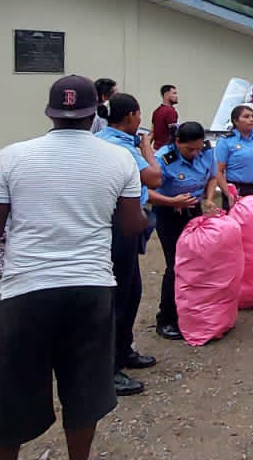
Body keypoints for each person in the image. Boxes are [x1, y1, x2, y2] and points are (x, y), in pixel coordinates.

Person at [0, 75, 147, 460]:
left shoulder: (11, 156)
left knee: (11, 394)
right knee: (84, 390)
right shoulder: (118, 158)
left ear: (51, 113)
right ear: (93, 112)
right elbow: (132, 226)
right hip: (90, 287)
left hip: (25, 290)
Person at [95, 93, 163, 397]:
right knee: (119, 295)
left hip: (125, 222)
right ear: (132, 116)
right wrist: (148, 148)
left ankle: (124, 351)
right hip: (118, 223)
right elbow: (154, 178)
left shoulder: (104, 138)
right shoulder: (120, 146)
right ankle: (109, 370)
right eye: (139, 115)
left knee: (131, 291)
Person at [150, 121, 219, 341]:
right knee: (176, 265)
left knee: (198, 263)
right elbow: (145, 191)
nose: (195, 153)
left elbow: (212, 177)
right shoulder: (163, 158)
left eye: (198, 148)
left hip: (194, 211)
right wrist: (171, 201)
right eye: (190, 149)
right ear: (177, 142)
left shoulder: (207, 151)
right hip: (169, 214)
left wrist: (208, 199)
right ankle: (167, 318)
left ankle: (191, 312)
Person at [216, 105, 253, 199]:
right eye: (246, 116)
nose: (251, 119)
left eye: (252, 116)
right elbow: (218, 171)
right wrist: (229, 194)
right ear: (235, 121)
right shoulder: (226, 141)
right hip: (238, 190)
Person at [151, 85, 179, 150]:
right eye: (174, 93)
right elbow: (174, 133)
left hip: (157, 149)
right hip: (167, 150)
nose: (176, 96)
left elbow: (152, 132)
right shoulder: (171, 111)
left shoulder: (156, 111)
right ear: (166, 95)